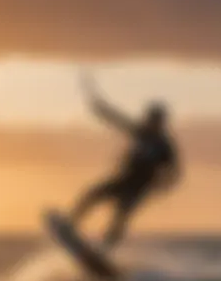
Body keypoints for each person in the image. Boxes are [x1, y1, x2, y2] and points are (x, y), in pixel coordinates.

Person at [69, 94, 182, 252]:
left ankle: (105, 249)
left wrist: (163, 185)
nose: (151, 123)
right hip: (123, 179)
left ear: (161, 123)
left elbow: (174, 172)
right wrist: (101, 108)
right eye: (150, 119)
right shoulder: (140, 132)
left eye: (155, 120)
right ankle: (71, 223)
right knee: (93, 194)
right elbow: (117, 119)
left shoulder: (164, 146)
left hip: (140, 187)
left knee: (121, 215)